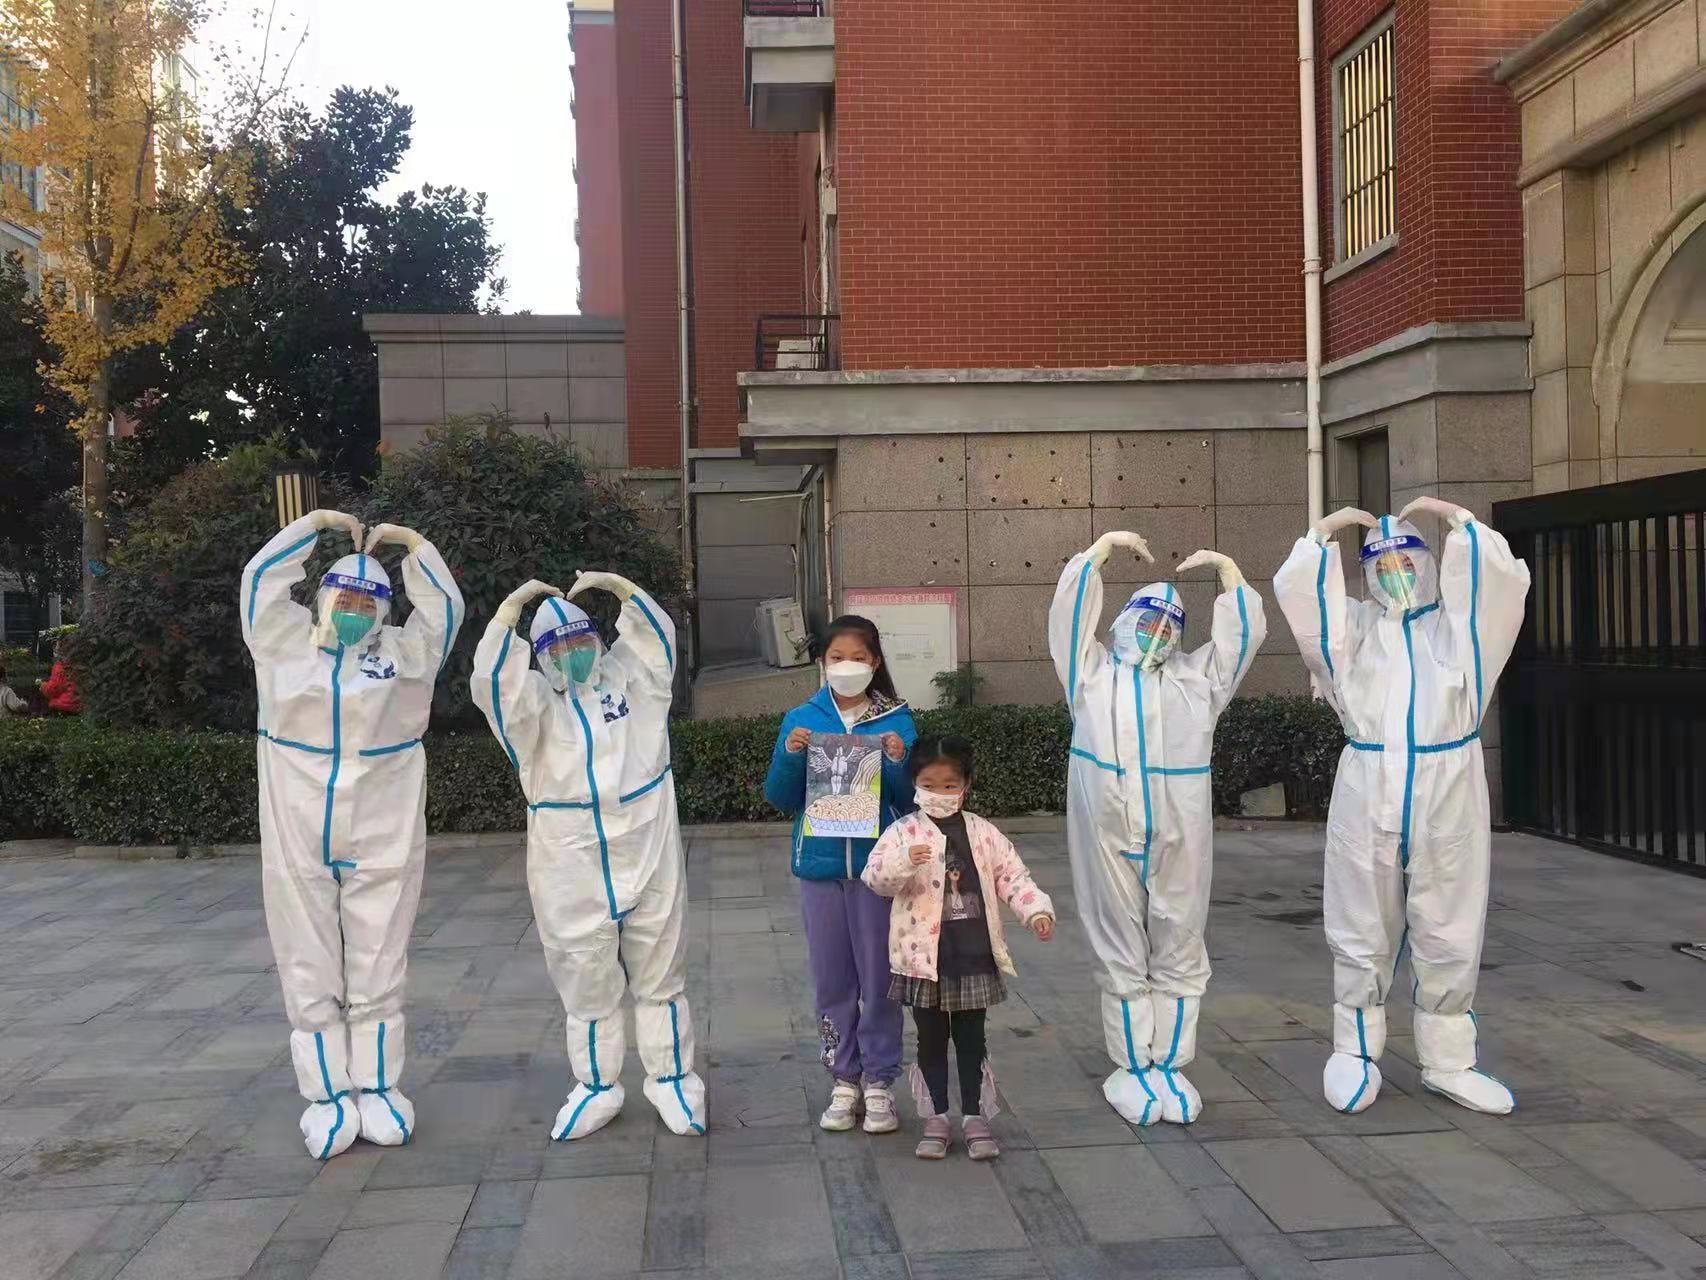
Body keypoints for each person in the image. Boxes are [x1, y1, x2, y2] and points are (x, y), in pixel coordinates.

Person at [1274, 498, 1528, 1116]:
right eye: (1379, 565)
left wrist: (1460, 521)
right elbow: (1309, 610)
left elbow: (1498, 588)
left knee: (1450, 919)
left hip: (1449, 784)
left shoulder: (1459, 630)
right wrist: (1322, 534)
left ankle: (1449, 1060)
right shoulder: (1358, 632)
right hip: (1368, 781)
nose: (1393, 574)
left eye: (1404, 561)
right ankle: (1355, 1049)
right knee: (1360, 916)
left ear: (1426, 563)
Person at [241, 511, 463, 1159]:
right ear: (322, 599)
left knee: (381, 953)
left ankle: (378, 1086)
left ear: (385, 611)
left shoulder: (404, 658)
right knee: (305, 955)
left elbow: (444, 611)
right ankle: (327, 1096)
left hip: (383, 827)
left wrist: (416, 548)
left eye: (370, 602)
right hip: (297, 823)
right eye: (344, 598)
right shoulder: (282, 644)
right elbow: (259, 580)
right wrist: (311, 527)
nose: (355, 612)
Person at [471, 569, 704, 1141]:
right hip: (569, 854)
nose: (571, 653)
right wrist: (506, 617)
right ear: (541, 657)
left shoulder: (631, 683)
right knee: (583, 970)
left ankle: (673, 1078)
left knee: (660, 964)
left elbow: (656, 642)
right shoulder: (534, 709)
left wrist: (623, 590)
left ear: (597, 641)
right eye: (556, 647)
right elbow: (493, 686)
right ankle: (597, 1085)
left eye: (579, 640)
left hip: (646, 837)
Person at [1049, 532, 1265, 1127]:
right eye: (1146, 621)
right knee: (1118, 938)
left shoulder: (1197, 681)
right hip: (1106, 832)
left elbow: (1239, 645)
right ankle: (1131, 1066)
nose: (1157, 634)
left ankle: (1168, 1062)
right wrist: (1098, 552)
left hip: (1179, 832)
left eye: (1170, 627)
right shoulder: (1090, 674)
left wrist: (1231, 578)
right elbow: (1068, 620)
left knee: (1180, 934)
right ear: (1124, 622)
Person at [862, 736, 1055, 1161]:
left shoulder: (983, 832)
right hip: (922, 961)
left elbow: (1012, 876)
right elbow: (875, 879)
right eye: (929, 784)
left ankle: (974, 1116)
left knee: (971, 1039)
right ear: (915, 784)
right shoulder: (903, 832)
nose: (940, 793)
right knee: (930, 1040)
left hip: (973, 957)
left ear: (966, 784)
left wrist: (1036, 910)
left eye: (949, 785)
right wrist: (903, 860)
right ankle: (935, 1117)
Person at [764, 616, 918, 1134]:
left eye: (858, 658)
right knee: (832, 978)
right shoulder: (801, 719)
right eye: (836, 658)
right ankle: (843, 1077)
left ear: (874, 663)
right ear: (821, 662)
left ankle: (879, 1081)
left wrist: (896, 760)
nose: (847, 666)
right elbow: (779, 796)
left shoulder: (897, 721)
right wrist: (790, 755)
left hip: (879, 873)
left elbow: (909, 799)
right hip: (820, 868)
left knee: (880, 978)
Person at [39, 642, 80, 714]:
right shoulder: (81, 664)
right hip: (80, 706)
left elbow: (53, 689)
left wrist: (43, 686)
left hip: (64, 706)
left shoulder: (60, 667)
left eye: (55, 646)